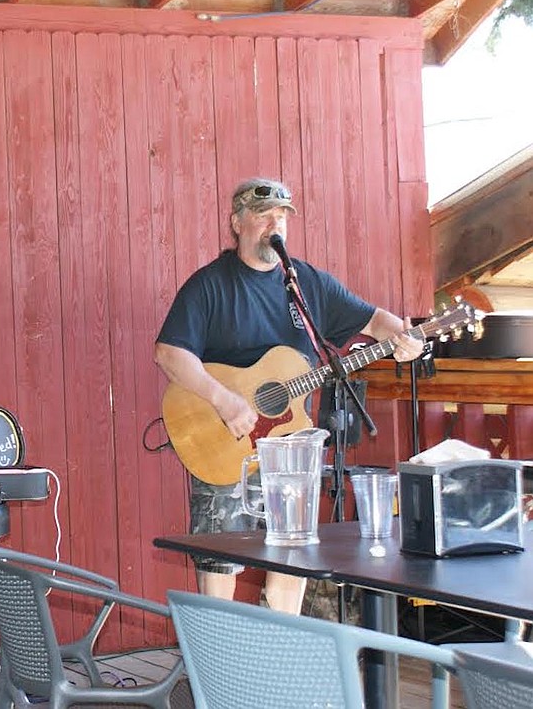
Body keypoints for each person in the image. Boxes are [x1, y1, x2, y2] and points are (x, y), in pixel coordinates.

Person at [154, 178, 423, 614]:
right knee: (221, 553)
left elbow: (374, 320)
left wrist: (405, 337)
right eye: (263, 216)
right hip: (226, 438)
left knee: (292, 551)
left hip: (292, 442)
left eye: (281, 216)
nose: (273, 224)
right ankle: (220, 660)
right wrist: (224, 400)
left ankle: (282, 653)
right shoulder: (210, 285)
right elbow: (169, 353)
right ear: (236, 223)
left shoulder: (306, 283)